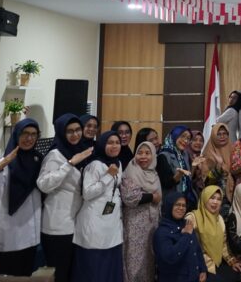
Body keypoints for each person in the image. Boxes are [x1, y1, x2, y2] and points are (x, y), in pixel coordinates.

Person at [37, 114, 93, 282]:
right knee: (58, 273)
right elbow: (43, 184)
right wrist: (69, 164)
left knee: (69, 271)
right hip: (57, 225)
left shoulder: (78, 150)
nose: (75, 134)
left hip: (73, 222)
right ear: (62, 132)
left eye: (77, 130)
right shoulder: (55, 155)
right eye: (70, 131)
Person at [0, 118, 43, 276]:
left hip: (30, 232)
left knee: (26, 274)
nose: (29, 138)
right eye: (25, 133)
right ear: (16, 135)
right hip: (9, 233)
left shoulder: (38, 160)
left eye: (33, 134)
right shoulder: (3, 163)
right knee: (6, 274)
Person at [72, 131, 124, 282]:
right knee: (94, 268)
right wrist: (108, 176)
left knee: (109, 266)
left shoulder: (118, 163)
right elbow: (87, 193)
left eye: (117, 142)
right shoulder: (95, 165)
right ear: (102, 144)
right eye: (110, 142)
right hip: (94, 223)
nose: (114, 146)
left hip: (111, 223)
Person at [121, 141, 162, 282]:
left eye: (147, 153)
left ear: (153, 155)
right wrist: (152, 197)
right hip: (135, 223)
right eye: (140, 153)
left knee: (148, 258)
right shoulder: (131, 171)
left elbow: (160, 199)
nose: (143, 156)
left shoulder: (153, 173)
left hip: (151, 223)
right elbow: (129, 197)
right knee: (134, 260)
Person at [186, 186, 241, 280]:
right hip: (198, 266)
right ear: (204, 198)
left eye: (219, 199)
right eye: (212, 198)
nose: (215, 202)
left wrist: (232, 262)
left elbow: (223, 245)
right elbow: (187, 247)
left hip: (217, 263)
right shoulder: (192, 218)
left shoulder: (219, 219)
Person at [153, 193, 208, 282]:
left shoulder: (186, 224)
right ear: (169, 206)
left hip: (194, 277)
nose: (181, 208)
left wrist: (202, 269)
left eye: (184, 205)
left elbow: (197, 249)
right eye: (177, 204)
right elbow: (170, 257)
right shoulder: (161, 232)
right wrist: (186, 235)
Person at [197, 123, 236, 206]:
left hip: (234, 194)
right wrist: (219, 167)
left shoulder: (234, 149)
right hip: (215, 197)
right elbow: (206, 181)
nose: (222, 136)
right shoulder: (208, 153)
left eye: (224, 133)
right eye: (219, 134)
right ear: (213, 135)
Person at [158, 125, 196, 208]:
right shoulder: (163, 155)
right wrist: (178, 175)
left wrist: (193, 166)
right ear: (175, 135)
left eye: (188, 138)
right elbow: (166, 183)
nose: (185, 141)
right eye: (183, 136)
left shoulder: (184, 155)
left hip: (186, 200)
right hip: (171, 202)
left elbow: (188, 179)